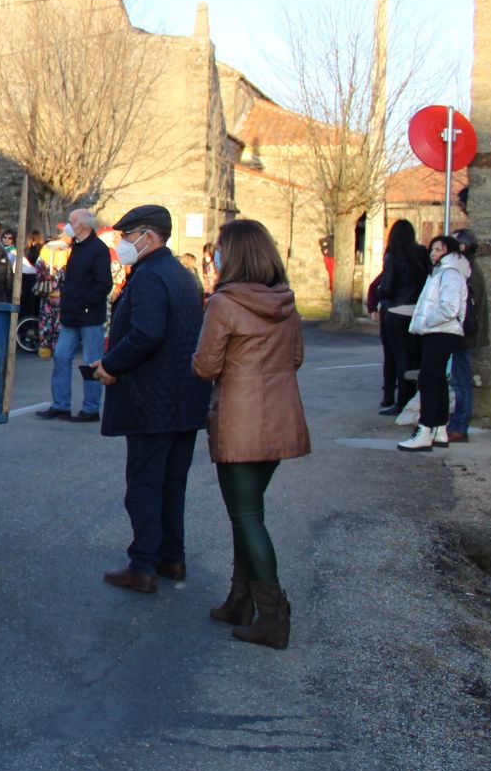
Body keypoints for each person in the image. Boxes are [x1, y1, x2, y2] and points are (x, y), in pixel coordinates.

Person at [192, 219, 309, 649]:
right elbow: (295, 358)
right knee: (250, 513)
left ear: (233, 255)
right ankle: (241, 600)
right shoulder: (286, 301)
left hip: (239, 423)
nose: (214, 257)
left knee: (246, 518)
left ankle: (273, 614)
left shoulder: (224, 303)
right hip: (280, 419)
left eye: (219, 250)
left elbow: (205, 366)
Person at [92, 205, 211, 593]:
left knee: (144, 483)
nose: (123, 243)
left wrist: (111, 364)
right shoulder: (180, 274)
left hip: (152, 399)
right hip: (184, 398)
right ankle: (171, 558)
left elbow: (146, 334)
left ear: (148, 235)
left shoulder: (149, 276)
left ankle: (143, 564)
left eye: (127, 236)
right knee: (172, 483)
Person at [399, 233, 471, 452]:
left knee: (429, 378)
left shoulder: (450, 274)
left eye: (439, 249)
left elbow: (449, 307)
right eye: (432, 249)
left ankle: (426, 428)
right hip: (437, 331)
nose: (433, 254)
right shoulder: (440, 273)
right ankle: (439, 428)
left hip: (441, 331)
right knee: (437, 379)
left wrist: (428, 322)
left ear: (450, 251)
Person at [40, 208, 110, 422]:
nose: (68, 225)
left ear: (81, 225)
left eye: (71, 221)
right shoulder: (77, 247)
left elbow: (104, 283)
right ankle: (61, 404)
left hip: (89, 316)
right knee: (61, 357)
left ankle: (91, 408)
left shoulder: (98, 249)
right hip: (71, 315)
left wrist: (85, 302)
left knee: (91, 362)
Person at [373, 219, 430, 416]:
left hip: (396, 312)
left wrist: (379, 293)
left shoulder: (392, 256)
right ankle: (413, 396)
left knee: (398, 358)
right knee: (415, 358)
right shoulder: (422, 253)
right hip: (417, 311)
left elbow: (387, 287)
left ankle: (399, 400)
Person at [448, 228, 485, 443]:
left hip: (463, 331)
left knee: (461, 380)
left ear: (462, 247)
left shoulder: (466, 269)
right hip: (462, 330)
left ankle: (460, 426)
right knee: (459, 379)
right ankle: (458, 423)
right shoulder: (467, 267)